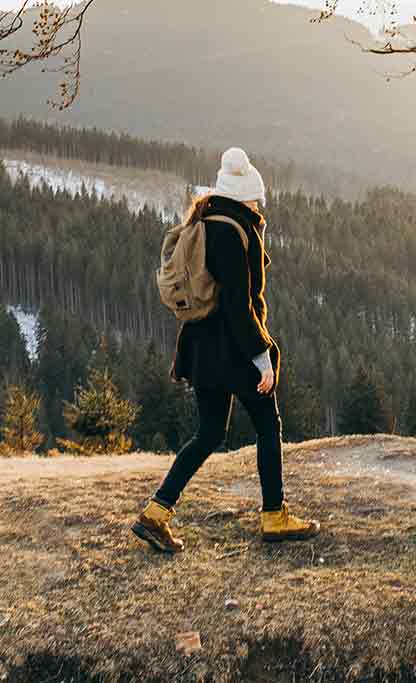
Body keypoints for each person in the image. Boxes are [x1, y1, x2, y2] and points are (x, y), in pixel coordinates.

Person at [131, 148, 321, 553]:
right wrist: (261, 356)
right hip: (232, 349)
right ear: (246, 196)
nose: (258, 206)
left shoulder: (204, 218)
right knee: (269, 428)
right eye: (256, 200)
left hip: (200, 345)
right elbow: (239, 305)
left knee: (209, 432)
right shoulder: (237, 231)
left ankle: (156, 513)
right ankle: (274, 516)